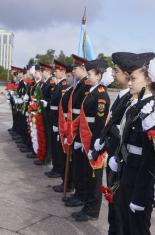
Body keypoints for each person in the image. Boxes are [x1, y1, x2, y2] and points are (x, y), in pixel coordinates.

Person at [113, 52, 155, 235]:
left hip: (139, 177)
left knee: (137, 227)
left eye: (133, 79)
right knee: (125, 223)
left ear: (147, 80)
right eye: (129, 78)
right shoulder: (138, 105)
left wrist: (140, 195)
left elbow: (150, 156)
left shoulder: (152, 109)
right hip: (128, 170)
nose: (129, 83)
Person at [93, 52, 133, 235]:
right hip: (112, 155)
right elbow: (111, 123)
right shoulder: (122, 96)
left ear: (127, 74)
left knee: (118, 205)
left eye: (116, 70)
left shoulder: (131, 100)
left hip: (120, 158)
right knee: (112, 201)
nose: (114, 74)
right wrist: (103, 141)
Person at [72, 59, 112, 222]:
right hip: (85, 137)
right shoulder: (92, 91)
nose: (87, 77)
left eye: (90, 74)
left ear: (99, 75)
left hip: (93, 140)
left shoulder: (101, 94)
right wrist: (81, 139)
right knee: (86, 174)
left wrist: (94, 146)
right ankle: (85, 204)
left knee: (94, 177)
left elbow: (99, 124)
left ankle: (92, 210)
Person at [64, 54, 92, 207]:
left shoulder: (86, 84)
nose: (73, 71)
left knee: (81, 166)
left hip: (80, 129)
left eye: (75, 68)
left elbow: (84, 112)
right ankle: (78, 193)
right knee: (76, 164)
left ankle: (81, 195)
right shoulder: (79, 83)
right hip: (74, 127)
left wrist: (78, 135)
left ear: (83, 68)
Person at [45, 60, 68, 179]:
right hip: (53, 118)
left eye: (57, 70)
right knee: (54, 145)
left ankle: (58, 168)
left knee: (58, 148)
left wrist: (57, 123)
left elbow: (62, 106)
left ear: (63, 71)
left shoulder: (64, 85)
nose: (55, 72)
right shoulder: (58, 84)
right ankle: (55, 167)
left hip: (58, 120)